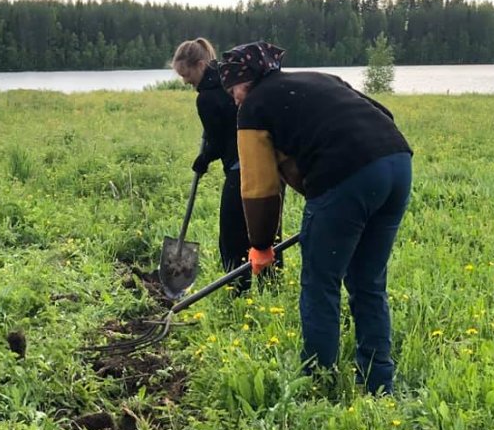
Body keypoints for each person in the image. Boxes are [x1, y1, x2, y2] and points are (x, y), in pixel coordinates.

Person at [218, 40, 413, 395]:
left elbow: (259, 187)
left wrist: (261, 245)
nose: (234, 99)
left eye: (234, 89)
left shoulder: (253, 108)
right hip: (397, 164)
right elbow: (384, 114)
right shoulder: (321, 78)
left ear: (247, 80)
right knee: (368, 282)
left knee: (320, 283)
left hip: (346, 178)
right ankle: (378, 381)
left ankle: (318, 381)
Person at [172, 37, 260, 293]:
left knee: (232, 235)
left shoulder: (207, 98)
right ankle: (272, 287)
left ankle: (237, 290)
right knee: (265, 230)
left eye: (187, 74)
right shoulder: (231, 78)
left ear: (200, 64)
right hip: (267, 164)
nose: (185, 81)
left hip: (240, 166)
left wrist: (204, 158)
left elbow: (220, 141)